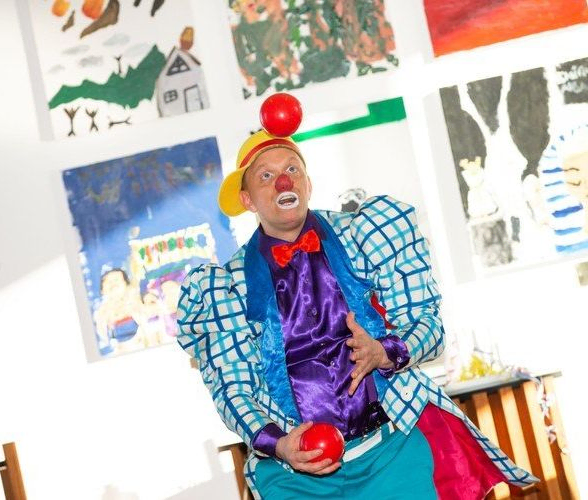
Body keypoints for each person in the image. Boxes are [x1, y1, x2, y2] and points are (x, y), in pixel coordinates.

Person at [176, 125, 537, 499]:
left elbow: (429, 327)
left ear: (308, 184)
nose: (284, 181)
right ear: (248, 200)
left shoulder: (365, 236)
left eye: (292, 169)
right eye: (266, 176)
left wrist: (385, 351)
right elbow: (233, 387)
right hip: (296, 479)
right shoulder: (226, 287)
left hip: (392, 451)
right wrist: (278, 443)